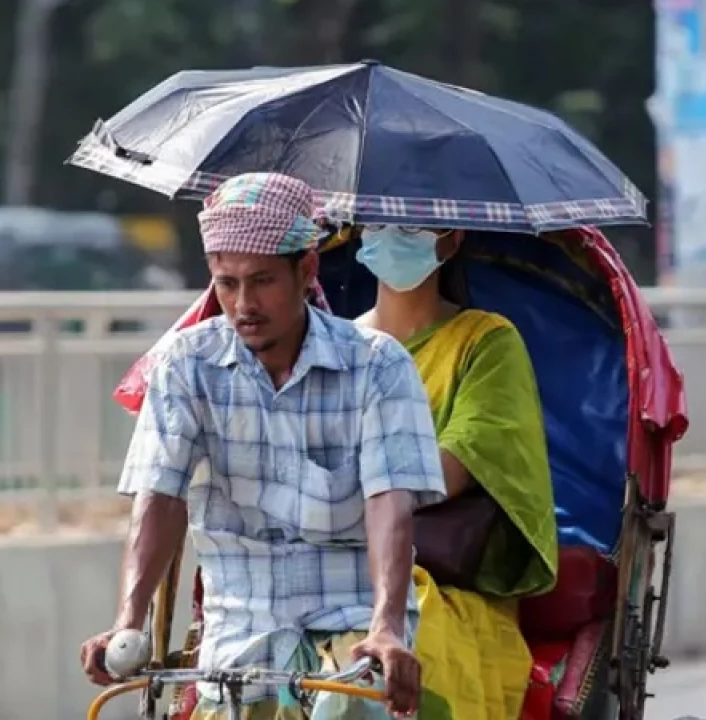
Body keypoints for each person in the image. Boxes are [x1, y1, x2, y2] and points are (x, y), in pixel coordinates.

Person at [79, 173, 448, 720]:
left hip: (350, 625)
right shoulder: (185, 364)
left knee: (346, 714)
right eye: (227, 284)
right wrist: (129, 621)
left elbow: (388, 502)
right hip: (238, 636)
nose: (243, 304)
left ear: (307, 271)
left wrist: (387, 627)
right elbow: (159, 494)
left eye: (262, 281)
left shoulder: (377, 364)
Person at [352, 225, 559, 720]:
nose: (391, 236)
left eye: (409, 225)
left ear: (451, 238)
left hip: (442, 588)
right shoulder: (336, 347)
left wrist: (335, 500)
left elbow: (450, 469)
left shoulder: (487, 343)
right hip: (328, 571)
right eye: (379, 221)